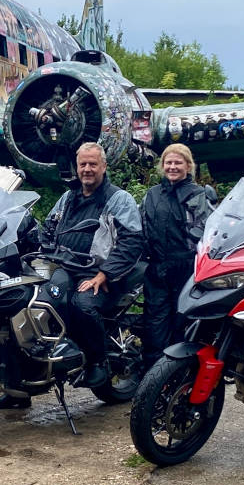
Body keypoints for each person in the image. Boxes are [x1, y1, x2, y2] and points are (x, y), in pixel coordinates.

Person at [40, 142, 144, 390]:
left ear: (104, 166)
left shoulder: (119, 199)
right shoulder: (68, 197)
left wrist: (104, 274)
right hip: (65, 267)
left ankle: (98, 361)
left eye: (92, 164)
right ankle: (60, 354)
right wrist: (42, 248)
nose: (87, 169)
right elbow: (49, 227)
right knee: (47, 300)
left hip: (101, 273)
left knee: (83, 305)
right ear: (76, 167)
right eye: (83, 164)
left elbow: (132, 241)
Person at [139, 143, 217, 361]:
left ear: (188, 166)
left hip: (187, 270)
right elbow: (140, 226)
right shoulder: (152, 195)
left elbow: (210, 232)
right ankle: (152, 381)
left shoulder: (199, 195)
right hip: (157, 270)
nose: (172, 167)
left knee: (183, 323)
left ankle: (181, 376)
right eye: (168, 162)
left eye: (178, 162)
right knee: (154, 325)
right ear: (162, 166)